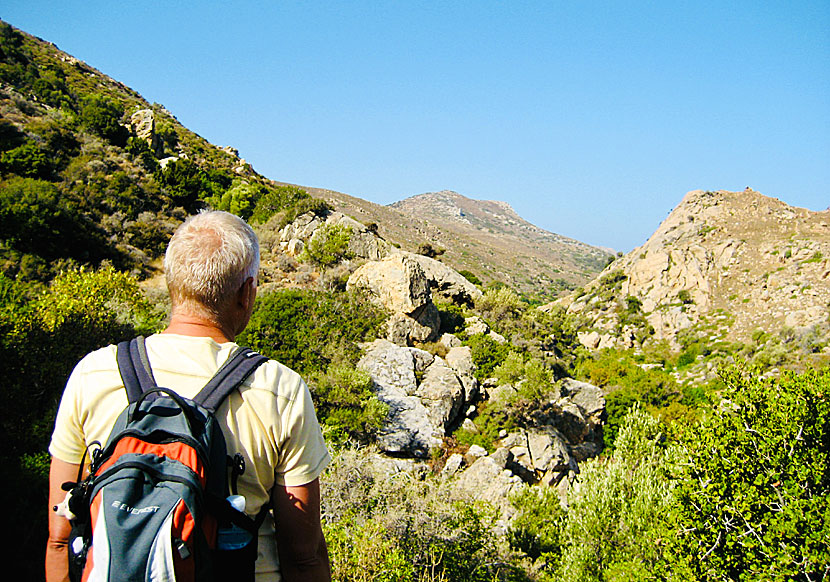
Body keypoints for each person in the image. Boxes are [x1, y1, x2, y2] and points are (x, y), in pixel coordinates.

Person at [46, 210, 332, 582]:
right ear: (246, 294)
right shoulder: (279, 388)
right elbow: (303, 555)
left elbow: (59, 538)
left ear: (171, 283)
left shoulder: (94, 372)